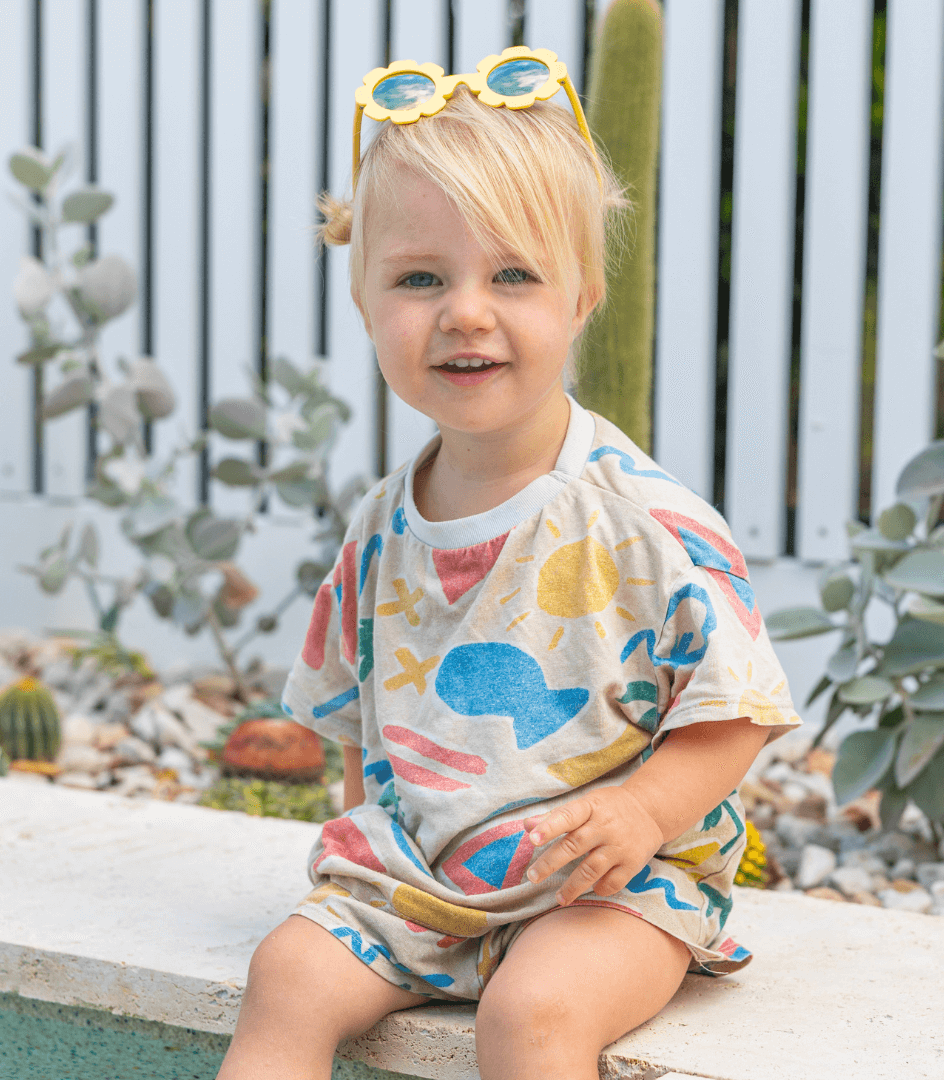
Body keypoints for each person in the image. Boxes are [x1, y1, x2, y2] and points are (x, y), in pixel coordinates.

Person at [217, 47, 800, 1080]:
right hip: (426, 879)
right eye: (420, 278)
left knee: (531, 1016)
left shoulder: (639, 519)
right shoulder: (381, 528)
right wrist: (374, 858)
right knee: (287, 979)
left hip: (610, 884)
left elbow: (739, 706)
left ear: (583, 298)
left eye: (514, 274)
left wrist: (640, 810)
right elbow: (364, 723)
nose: (467, 311)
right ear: (365, 303)